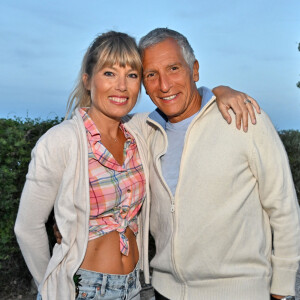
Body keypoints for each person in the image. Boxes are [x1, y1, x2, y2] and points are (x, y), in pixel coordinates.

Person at [14, 31, 258, 300]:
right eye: (109, 73)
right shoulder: (60, 141)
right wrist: (50, 286)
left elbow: (188, 104)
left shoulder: (140, 130)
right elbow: (27, 226)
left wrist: (222, 91)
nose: (121, 86)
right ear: (87, 80)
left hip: (135, 287)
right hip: (82, 288)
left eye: (131, 75)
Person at [132, 28, 299, 300]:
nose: (164, 85)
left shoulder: (243, 119)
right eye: (151, 74)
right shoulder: (145, 132)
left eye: (174, 68)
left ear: (194, 70)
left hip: (239, 292)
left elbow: (283, 207)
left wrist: (282, 288)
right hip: (165, 291)